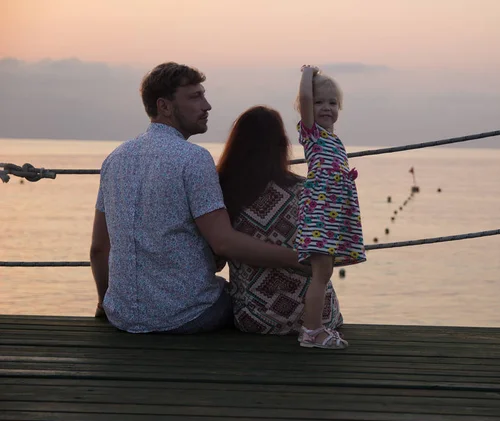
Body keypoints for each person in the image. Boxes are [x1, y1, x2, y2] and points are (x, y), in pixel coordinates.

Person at [90, 62, 306, 334]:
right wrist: (298, 259)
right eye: (195, 97)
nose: (207, 105)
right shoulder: (193, 159)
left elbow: (99, 248)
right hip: (187, 315)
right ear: (164, 106)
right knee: (248, 303)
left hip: (122, 316)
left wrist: (104, 303)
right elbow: (224, 242)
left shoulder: (115, 159)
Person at [216, 105, 344, 336]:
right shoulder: (307, 190)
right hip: (320, 318)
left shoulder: (221, 192)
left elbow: (215, 262)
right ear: (283, 145)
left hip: (255, 319)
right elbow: (329, 256)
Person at [294, 65, 366, 349]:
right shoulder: (311, 134)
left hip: (333, 215)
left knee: (324, 273)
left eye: (333, 102)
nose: (326, 108)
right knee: (320, 275)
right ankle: (312, 331)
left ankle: (316, 328)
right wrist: (307, 74)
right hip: (320, 215)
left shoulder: (334, 140)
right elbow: (305, 100)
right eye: (319, 102)